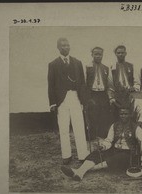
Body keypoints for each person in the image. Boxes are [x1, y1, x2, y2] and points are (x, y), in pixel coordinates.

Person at [61, 107, 142, 181]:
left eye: (125, 114)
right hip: (114, 150)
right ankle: (80, 173)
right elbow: (109, 140)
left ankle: (81, 171)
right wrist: (103, 146)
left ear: (130, 115)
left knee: (118, 158)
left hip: (128, 154)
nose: (123, 116)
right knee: (96, 153)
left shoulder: (136, 128)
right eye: (121, 114)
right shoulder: (114, 125)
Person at [47, 37, 89, 165]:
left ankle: (83, 155)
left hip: (75, 97)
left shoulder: (77, 62)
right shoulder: (53, 64)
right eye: (63, 46)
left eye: (67, 45)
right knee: (64, 128)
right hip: (61, 100)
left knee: (79, 126)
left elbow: (82, 83)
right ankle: (66, 155)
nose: (65, 47)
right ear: (58, 48)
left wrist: (84, 101)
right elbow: (51, 85)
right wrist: (53, 103)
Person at [85, 47, 115, 140]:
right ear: (92, 55)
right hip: (92, 95)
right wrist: (86, 98)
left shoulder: (106, 68)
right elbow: (84, 83)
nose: (98, 56)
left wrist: (110, 97)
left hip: (103, 95)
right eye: (96, 54)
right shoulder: (87, 67)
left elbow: (110, 85)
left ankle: (103, 139)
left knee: (104, 117)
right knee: (92, 117)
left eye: (100, 54)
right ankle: (92, 139)